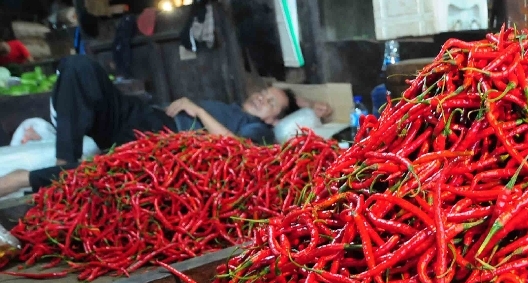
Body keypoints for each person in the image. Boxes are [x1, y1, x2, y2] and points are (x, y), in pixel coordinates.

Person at [0, 55, 332, 197]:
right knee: (79, 66)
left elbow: (238, 150)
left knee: (110, 164)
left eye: (270, 103)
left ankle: (33, 178)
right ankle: (64, 163)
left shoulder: (255, 129)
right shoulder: (233, 106)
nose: (261, 98)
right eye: (262, 93)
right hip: (141, 117)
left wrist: (197, 111)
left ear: (274, 120)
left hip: (163, 138)